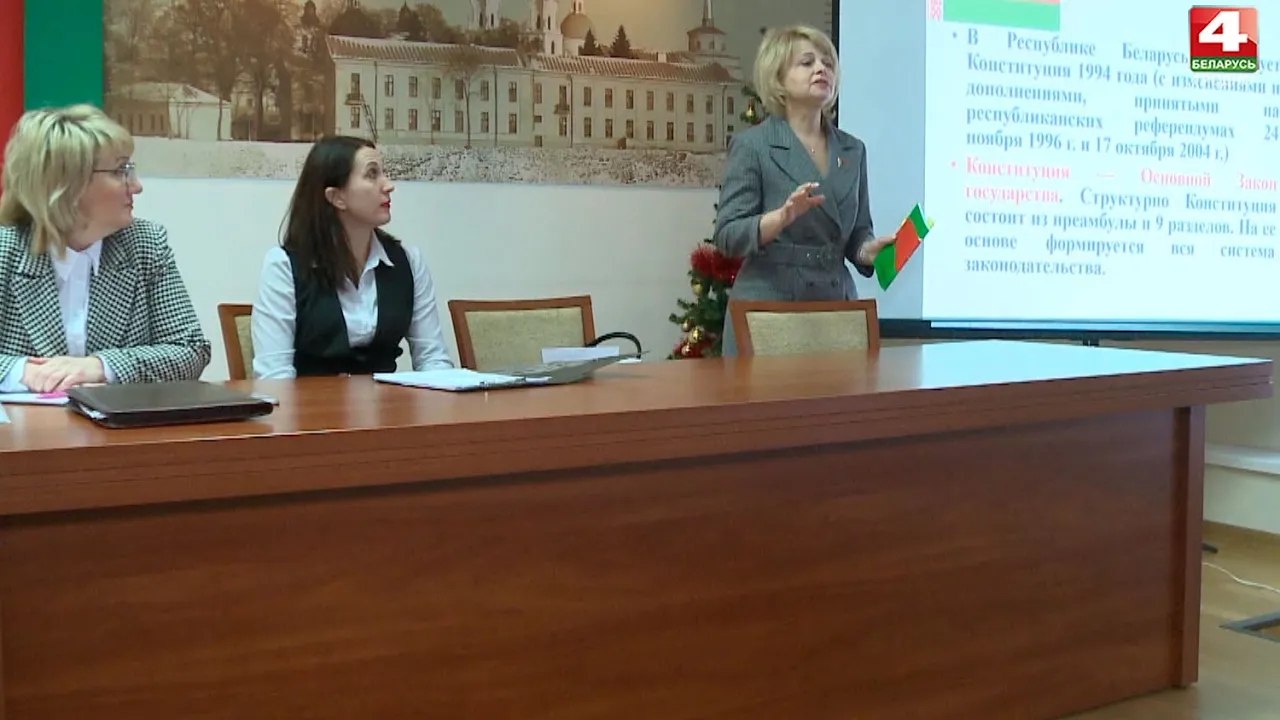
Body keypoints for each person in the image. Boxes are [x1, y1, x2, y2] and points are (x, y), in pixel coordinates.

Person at [0, 104, 211, 393]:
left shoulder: (146, 244)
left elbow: (190, 350)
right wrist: (22, 372)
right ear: (68, 184)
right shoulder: (6, 250)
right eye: (121, 171)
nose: (136, 186)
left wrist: (101, 366)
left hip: (119, 423)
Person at [712, 25, 895, 356]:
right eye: (807, 62)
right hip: (769, 311)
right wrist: (781, 218)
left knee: (841, 392)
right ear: (778, 79)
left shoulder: (853, 150)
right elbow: (728, 236)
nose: (821, 69)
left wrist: (867, 251)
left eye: (828, 63)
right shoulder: (753, 146)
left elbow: (857, 231)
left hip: (837, 311)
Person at [250, 135, 453, 377]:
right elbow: (275, 377)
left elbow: (432, 359)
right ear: (337, 197)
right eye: (372, 174)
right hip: (310, 401)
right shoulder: (284, 267)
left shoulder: (408, 262)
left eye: (384, 173)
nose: (388, 185)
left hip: (387, 401)